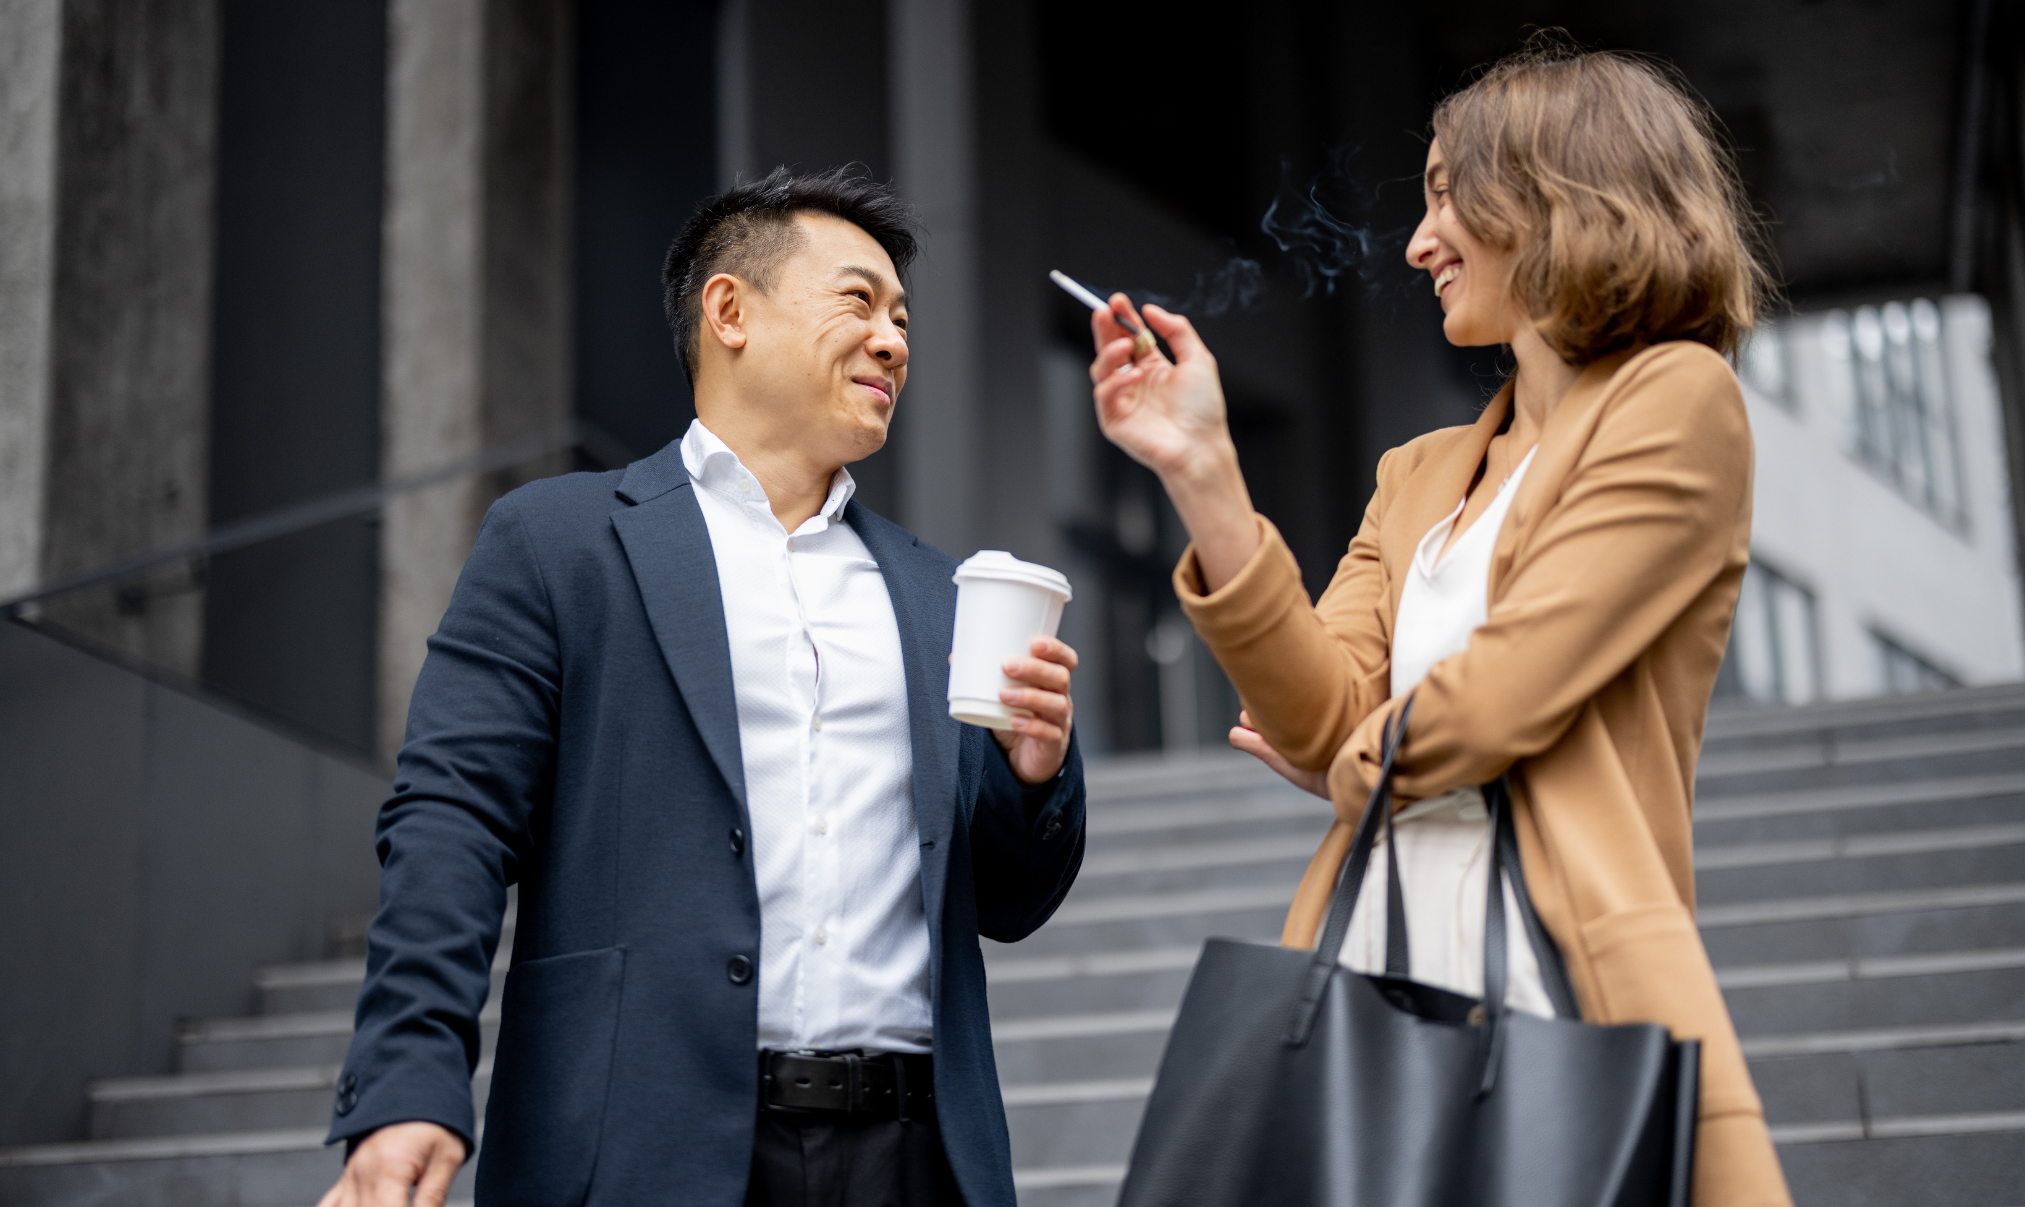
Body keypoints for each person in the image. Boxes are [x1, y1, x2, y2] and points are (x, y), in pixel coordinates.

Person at [1085, 40, 1790, 1207]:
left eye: (1446, 193)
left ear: (1560, 194)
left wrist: (1354, 763)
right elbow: (1316, 711)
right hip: (1372, 942)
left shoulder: (1677, 401)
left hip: (1563, 971)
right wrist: (1204, 473)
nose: (1418, 241)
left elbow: (1506, 690)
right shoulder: (1415, 474)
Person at [317, 167, 1087, 1207]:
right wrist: (410, 1080)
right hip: (645, 1147)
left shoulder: (938, 592)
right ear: (729, 310)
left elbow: (1005, 902)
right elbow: (450, 819)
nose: (895, 341)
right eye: (858, 301)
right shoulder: (559, 543)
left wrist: (1032, 776)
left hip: (917, 1162)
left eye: (903, 318)